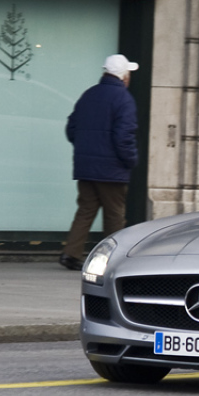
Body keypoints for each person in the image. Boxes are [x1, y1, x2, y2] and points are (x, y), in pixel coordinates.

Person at [59, 54, 139, 271]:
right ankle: (113, 259)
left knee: (85, 211)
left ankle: (70, 254)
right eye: (129, 73)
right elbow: (124, 136)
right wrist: (131, 160)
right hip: (112, 170)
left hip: (86, 168)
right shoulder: (124, 99)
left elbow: (71, 128)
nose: (129, 77)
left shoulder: (89, 95)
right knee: (114, 215)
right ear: (123, 76)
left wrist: (86, 149)